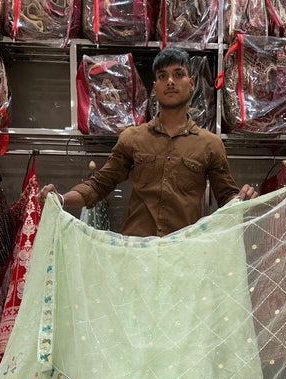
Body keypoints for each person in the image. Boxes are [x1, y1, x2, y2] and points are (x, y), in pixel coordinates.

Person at [38, 47, 258, 237]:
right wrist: (61, 199)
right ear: (155, 86)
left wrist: (244, 200)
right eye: (163, 76)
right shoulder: (132, 138)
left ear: (191, 83)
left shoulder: (210, 144)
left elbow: (227, 197)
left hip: (184, 256)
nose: (170, 81)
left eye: (178, 74)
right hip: (136, 254)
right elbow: (98, 186)